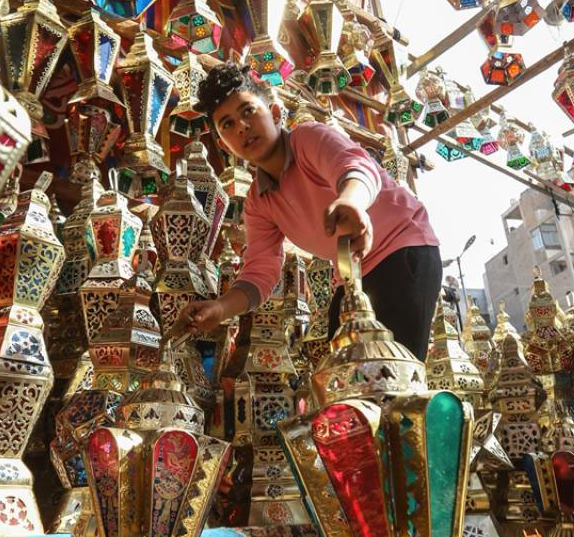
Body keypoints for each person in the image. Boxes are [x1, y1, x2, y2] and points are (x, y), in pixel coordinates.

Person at [172, 63, 442, 360]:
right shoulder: (258, 202)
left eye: (248, 111)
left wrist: (351, 202)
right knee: (346, 385)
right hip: (351, 277)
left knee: (393, 377)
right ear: (225, 145)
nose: (241, 126)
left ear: (275, 114)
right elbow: (260, 272)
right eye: (227, 124)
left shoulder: (308, 138)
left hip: (403, 249)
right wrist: (220, 308)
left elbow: (356, 168)